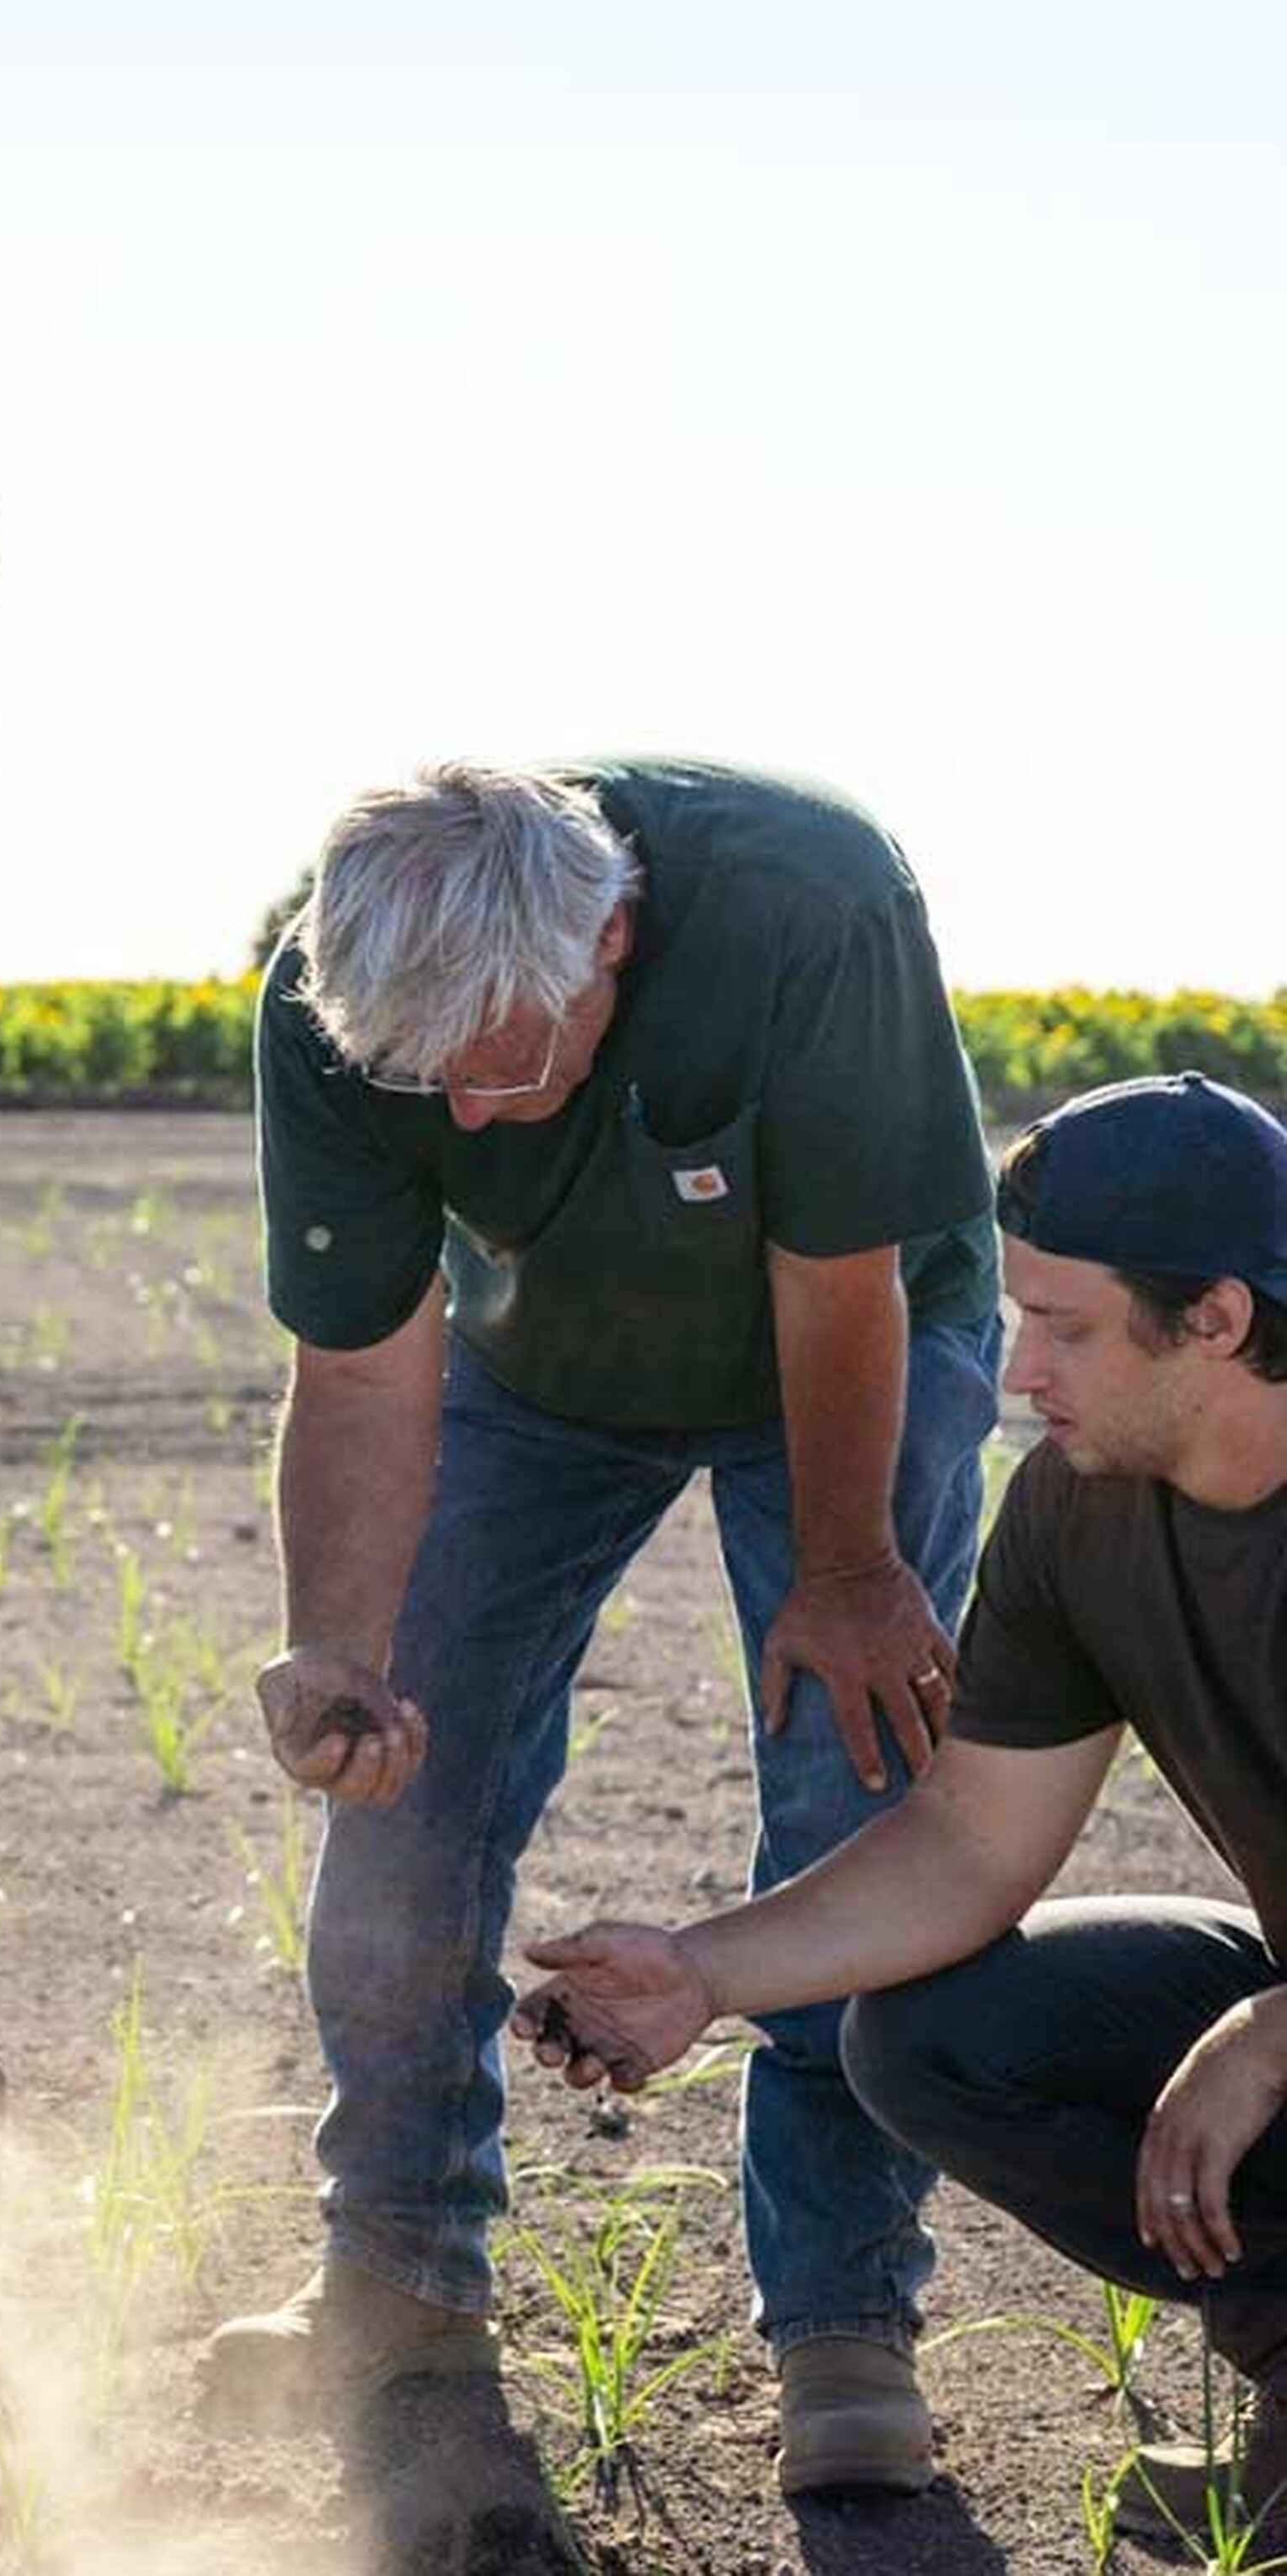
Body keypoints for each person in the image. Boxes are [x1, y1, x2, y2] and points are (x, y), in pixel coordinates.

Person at [207, 759, 1002, 2497]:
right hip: (538, 1364)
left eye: (506, 1058)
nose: (471, 1117)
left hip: (849, 1347)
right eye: (429, 1079)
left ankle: (842, 2321)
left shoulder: (808, 905)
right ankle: (396, 2262)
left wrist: (853, 1567)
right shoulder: (333, 1000)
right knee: (401, 1774)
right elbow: (356, 1357)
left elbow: (838, 1278)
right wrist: (336, 1641)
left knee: (847, 1784)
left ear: (613, 943)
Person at [511, 1070, 1287, 2536]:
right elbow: (972, 1842)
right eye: (1018, 1316)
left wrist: (1273, 2032)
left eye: (1064, 1327)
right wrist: (700, 1973)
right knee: (933, 2039)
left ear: (1218, 1318)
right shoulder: (1077, 1508)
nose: (1016, 1372)